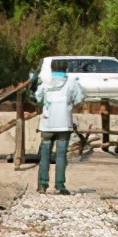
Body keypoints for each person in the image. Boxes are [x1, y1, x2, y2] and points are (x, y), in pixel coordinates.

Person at [35, 58, 85, 195]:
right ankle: (60, 185)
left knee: (45, 155)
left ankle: (42, 185)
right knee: (61, 155)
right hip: (64, 123)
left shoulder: (45, 82)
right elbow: (80, 98)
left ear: (52, 68)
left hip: (47, 124)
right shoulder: (72, 82)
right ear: (65, 68)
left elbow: (37, 97)